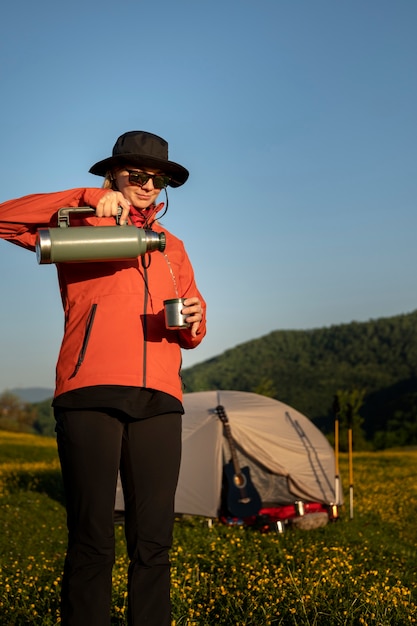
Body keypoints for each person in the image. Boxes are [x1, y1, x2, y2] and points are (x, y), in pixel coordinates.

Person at [0, 130, 206, 626]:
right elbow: (4, 217)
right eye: (137, 175)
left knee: (154, 542)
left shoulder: (172, 246)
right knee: (93, 538)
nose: (148, 185)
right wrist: (88, 198)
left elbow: (191, 327)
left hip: (159, 396)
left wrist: (197, 321)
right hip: (88, 390)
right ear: (113, 173)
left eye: (157, 180)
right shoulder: (78, 222)